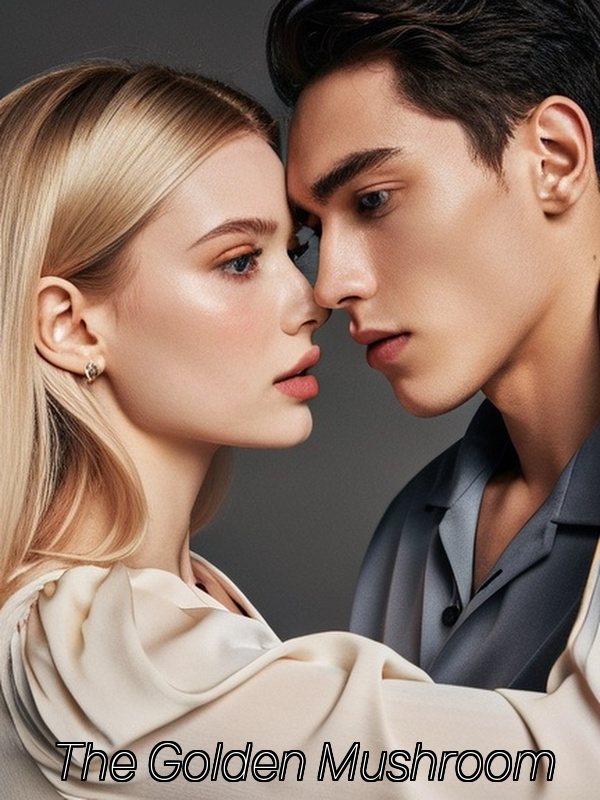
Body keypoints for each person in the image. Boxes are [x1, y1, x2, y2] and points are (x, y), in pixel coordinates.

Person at [1, 58, 574, 799]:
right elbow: (563, 770)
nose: (314, 299)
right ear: (71, 326)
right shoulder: (107, 654)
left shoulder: (166, 611)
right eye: (240, 261)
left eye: (291, 251)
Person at [267, 0, 600, 693]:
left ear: (555, 159)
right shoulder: (412, 531)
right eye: (316, 232)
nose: (329, 285)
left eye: (373, 200)